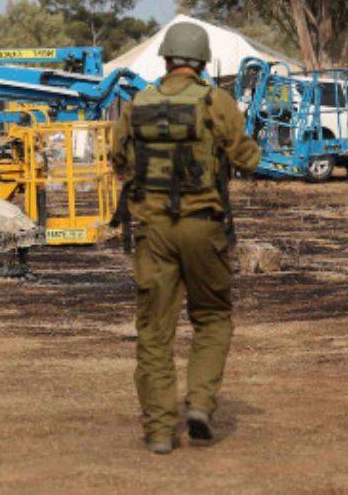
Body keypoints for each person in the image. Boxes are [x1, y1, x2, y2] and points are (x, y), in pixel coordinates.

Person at [109, 22, 261, 454]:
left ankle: (159, 430)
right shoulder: (217, 102)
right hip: (204, 227)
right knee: (212, 317)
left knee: (155, 332)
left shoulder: (136, 104)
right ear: (202, 62)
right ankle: (199, 405)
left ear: (167, 59)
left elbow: (118, 159)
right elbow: (247, 157)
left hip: (152, 233)